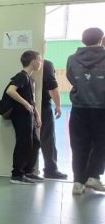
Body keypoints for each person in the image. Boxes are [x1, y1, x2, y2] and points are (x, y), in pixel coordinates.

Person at [66, 27, 105, 195]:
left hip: (79, 107)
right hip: (101, 107)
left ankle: (78, 182)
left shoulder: (72, 59)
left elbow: (71, 78)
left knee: (78, 145)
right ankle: (93, 176)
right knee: (101, 143)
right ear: (101, 39)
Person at [5, 50, 43, 184]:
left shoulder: (30, 79)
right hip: (20, 116)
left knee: (35, 143)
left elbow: (32, 100)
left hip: (29, 116)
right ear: (33, 62)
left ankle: (28, 171)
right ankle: (16, 174)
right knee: (23, 143)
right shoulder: (22, 76)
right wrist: (25, 104)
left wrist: (37, 115)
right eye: (40, 60)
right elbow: (10, 91)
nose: (41, 63)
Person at [39, 58, 67, 180]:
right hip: (42, 106)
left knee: (27, 139)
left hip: (25, 106)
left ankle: (26, 170)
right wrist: (58, 105)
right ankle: (50, 170)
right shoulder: (46, 64)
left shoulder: (23, 61)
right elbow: (52, 87)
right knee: (47, 138)